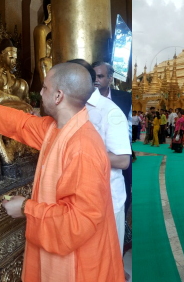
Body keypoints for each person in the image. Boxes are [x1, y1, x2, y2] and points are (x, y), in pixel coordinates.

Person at [0, 62, 124, 282]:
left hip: (79, 265)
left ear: (59, 96)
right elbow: (25, 124)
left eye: (44, 88)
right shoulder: (57, 128)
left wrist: (25, 208)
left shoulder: (83, 148)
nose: (40, 93)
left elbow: (78, 222)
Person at [68, 58, 131, 255]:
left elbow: (122, 160)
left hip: (107, 198)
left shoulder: (109, 111)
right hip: (79, 199)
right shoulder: (73, 108)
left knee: (108, 259)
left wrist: (85, 153)